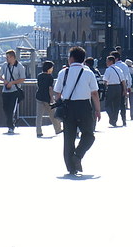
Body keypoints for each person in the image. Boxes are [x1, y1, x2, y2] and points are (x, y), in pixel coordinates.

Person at [52, 45, 101, 176]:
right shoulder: (88, 73)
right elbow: (94, 93)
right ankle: (78, 156)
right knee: (89, 135)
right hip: (84, 106)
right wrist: (97, 109)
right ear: (83, 59)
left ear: (71, 59)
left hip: (68, 107)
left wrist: (60, 101)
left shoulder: (64, 72)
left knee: (69, 137)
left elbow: (57, 92)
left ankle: (71, 167)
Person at [0, 49, 26, 134]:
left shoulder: (20, 66)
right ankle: (11, 121)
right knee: (5, 108)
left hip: (15, 91)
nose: (7, 59)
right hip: (5, 90)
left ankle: (10, 127)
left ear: (13, 57)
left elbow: (22, 79)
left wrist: (12, 83)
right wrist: (4, 80)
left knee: (10, 109)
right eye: (6, 57)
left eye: (8, 57)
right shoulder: (5, 65)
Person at [35, 60, 61, 137]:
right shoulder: (50, 77)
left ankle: (38, 132)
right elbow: (50, 89)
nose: (52, 69)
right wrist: (51, 98)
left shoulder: (39, 76)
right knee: (53, 115)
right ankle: (58, 129)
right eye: (52, 68)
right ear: (49, 68)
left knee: (39, 116)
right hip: (47, 98)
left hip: (39, 97)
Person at [102, 55, 128, 127]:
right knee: (116, 105)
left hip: (111, 87)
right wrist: (124, 89)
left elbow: (105, 80)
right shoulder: (118, 69)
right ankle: (114, 120)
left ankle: (112, 117)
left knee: (108, 104)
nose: (106, 63)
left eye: (107, 61)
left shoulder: (108, 70)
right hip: (119, 87)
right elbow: (123, 80)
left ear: (111, 61)